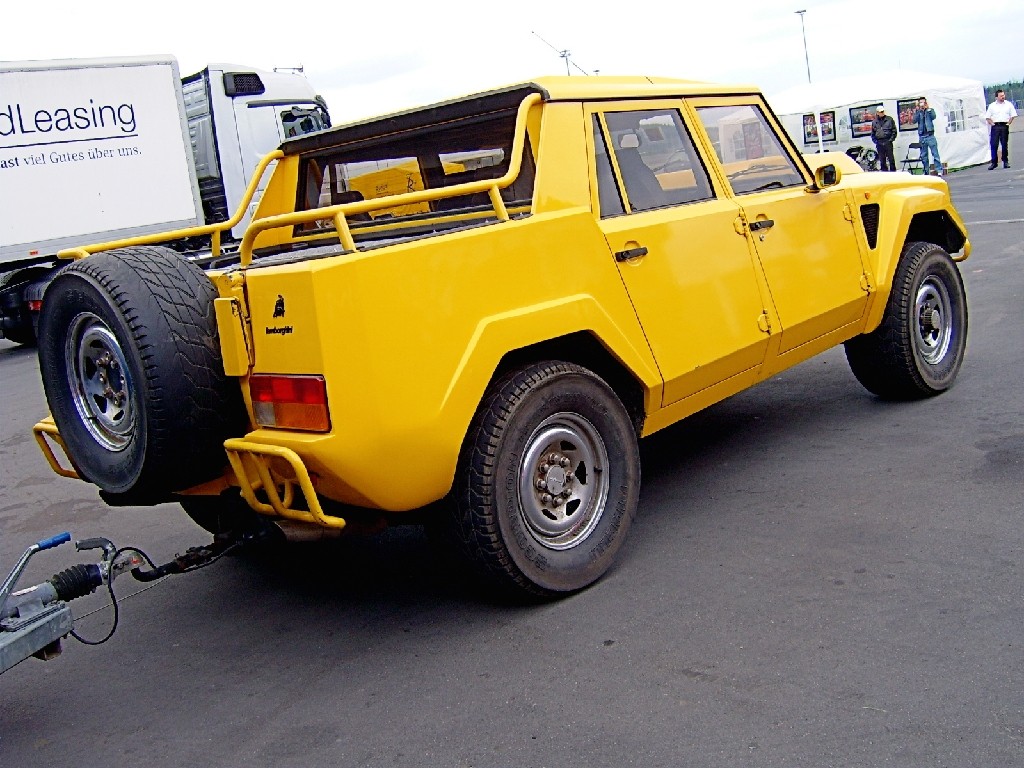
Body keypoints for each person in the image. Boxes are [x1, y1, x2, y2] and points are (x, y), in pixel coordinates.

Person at [985, 89, 1017, 170]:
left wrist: (1008, 123)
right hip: (995, 126)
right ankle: (994, 162)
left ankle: (1005, 161)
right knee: (994, 145)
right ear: (997, 97)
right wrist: (992, 124)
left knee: (1004, 145)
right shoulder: (992, 106)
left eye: (1003, 95)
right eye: (1001, 96)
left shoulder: (1008, 104)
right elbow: (987, 117)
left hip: (1004, 126)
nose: (1003, 97)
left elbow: (1013, 115)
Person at [913, 97, 942, 176]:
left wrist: (928, 108)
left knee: (935, 153)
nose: (922, 104)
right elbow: (914, 120)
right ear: (919, 103)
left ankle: (939, 170)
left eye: (923, 102)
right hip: (922, 136)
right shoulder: (918, 112)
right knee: (924, 156)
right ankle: (926, 171)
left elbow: (933, 116)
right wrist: (917, 110)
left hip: (930, 135)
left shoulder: (930, 110)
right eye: (921, 103)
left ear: (926, 103)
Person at [870, 106, 898, 171]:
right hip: (879, 142)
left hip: (887, 141)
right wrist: (876, 141)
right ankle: (884, 174)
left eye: (883, 111)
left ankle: (893, 173)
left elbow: (894, 131)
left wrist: (890, 140)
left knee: (891, 159)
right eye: (880, 112)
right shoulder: (874, 122)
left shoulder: (889, 119)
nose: (882, 113)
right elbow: (873, 133)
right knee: (882, 160)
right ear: (877, 113)